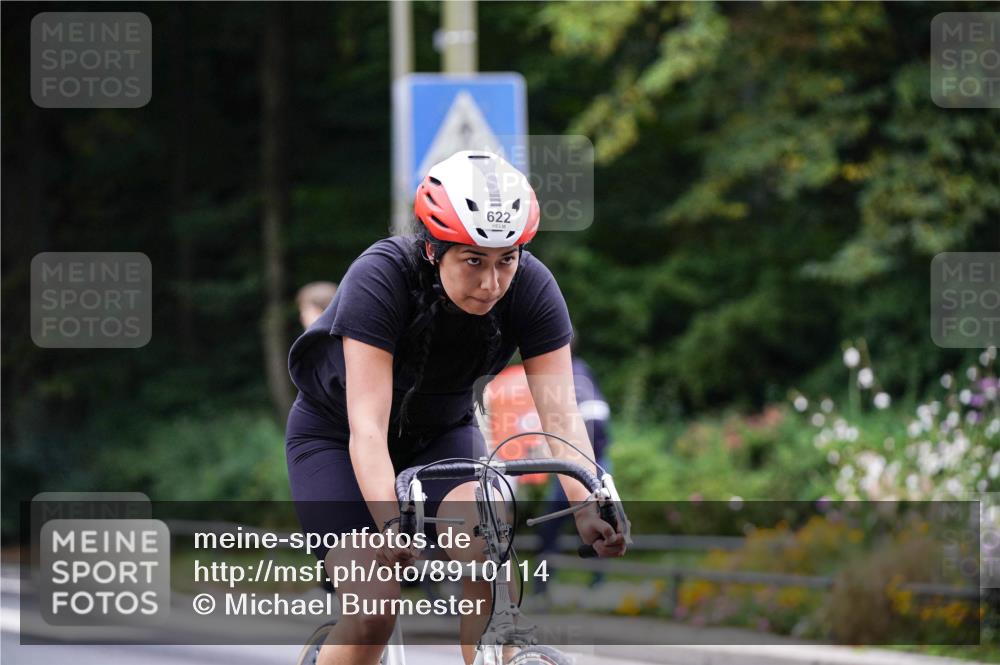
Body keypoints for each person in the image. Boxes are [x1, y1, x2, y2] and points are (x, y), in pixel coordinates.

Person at [285, 150, 626, 665]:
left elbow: (561, 417)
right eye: (473, 261)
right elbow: (369, 428)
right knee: (375, 602)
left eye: (505, 260)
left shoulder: (533, 288)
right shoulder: (380, 277)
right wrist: (391, 524)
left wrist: (587, 506)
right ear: (432, 250)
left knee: (488, 554)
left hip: (442, 432)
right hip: (337, 438)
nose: (492, 283)